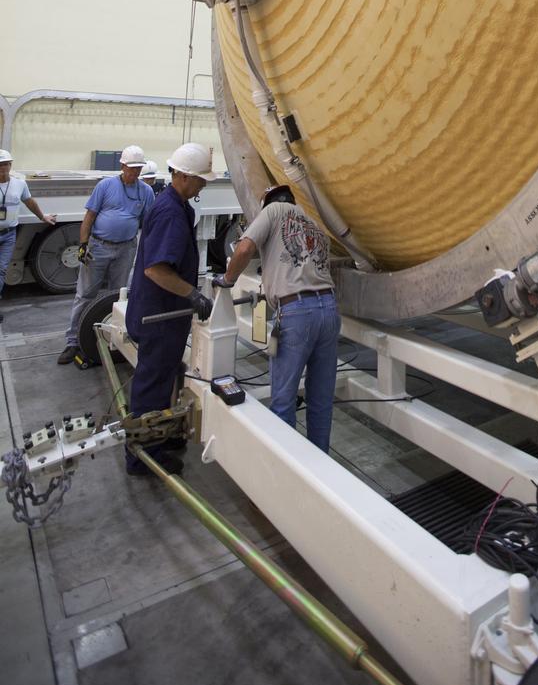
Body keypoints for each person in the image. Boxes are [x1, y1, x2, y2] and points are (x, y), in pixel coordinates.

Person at [215, 184, 340, 453]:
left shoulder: (272, 211)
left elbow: (245, 249)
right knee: (320, 398)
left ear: (268, 202)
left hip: (296, 312)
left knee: (283, 398)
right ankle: (320, 466)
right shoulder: (313, 223)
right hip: (329, 309)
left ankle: (286, 470)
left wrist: (227, 280)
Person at [124, 142, 216, 477]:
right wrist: (194, 295)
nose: (204, 184)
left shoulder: (177, 206)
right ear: (184, 177)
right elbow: (156, 270)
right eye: (201, 179)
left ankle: (160, 435)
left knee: (164, 378)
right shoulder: (170, 213)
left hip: (165, 314)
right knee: (152, 382)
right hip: (158, 316)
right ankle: (143, 457)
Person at [58, 145, 153, 364]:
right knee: (85, 294)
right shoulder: (105, 186)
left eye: (138, 168)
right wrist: (83, 244)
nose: (135, 172)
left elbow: (148, 224)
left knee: (117, 295)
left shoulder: (145, 192)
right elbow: (90, 216)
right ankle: (73, 341)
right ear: (122, 166)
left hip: (126, 248)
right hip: (98, 247)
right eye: (131, 168)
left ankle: (111, 338)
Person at [0, 149, 57, 324]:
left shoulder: (19, 184)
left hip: (8, 236)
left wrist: (42, 217)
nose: (3, 168)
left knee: (1, 271)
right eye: (0, 165)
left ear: (10, 166)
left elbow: (29, 201)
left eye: (6, 164)